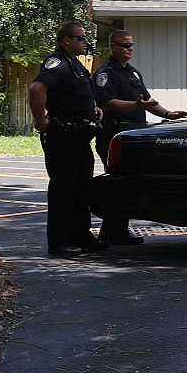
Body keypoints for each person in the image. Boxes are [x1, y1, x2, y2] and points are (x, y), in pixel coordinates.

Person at [92, 29, 187, 244]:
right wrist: (134, 105)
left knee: (127, 183)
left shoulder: (133, 73)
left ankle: (118, 231)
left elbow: (146, 100)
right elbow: (106, 102)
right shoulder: (105, 74)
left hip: (134, 135)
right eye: (125, 45)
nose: (130, 49)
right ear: (113, 47)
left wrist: (167, 114)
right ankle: (110, 232)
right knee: (116, 183)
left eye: (131, 45)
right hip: (114, 135)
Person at [28, 22, 107, 256]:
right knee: (63, 191)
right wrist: (41, 121)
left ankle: (82, 236)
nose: (85, 43)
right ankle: (60, 242)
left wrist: (93, 109)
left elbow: (77, 95)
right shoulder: (58, 63)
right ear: (66, 40)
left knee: (82, 191)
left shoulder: (75, 65)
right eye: (81, 39)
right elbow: (36, 89)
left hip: (80, 139)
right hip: (64, 138)